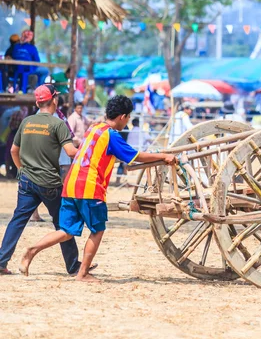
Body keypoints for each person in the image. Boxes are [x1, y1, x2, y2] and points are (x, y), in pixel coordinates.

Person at [19, 95, 177, 282]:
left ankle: (32, 250)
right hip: (89, 187)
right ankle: (83, 273)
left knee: (66, 230)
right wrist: (165, 156)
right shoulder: (112, 135)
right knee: (97, 230)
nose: (126, 123)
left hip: (70, 185)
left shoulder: (94, 129)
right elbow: (135, 157)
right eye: (127, 118)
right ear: (122, 116)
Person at [0, 84, 82, 275]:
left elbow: (14, 151)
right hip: (49, 183)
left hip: (26, 180)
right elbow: (71, 152)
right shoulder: (57, 124)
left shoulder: (27, 121)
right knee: (63, 223)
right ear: (54, 100)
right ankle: (73, 266)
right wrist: (89, 153)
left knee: (18, 220)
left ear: (38, 102)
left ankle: (2, 260)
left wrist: (21, 170)